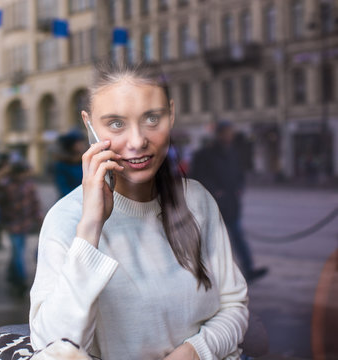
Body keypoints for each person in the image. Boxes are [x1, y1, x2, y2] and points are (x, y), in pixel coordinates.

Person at [29, 60, 248, 360]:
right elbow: (50, 347)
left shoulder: (197, 200)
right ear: (89, 124)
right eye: (116, 123)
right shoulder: (66, 219)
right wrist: (90, 228)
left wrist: (195, 352)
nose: (137, 142)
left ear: (170, 114)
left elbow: (234, 307)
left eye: (152, 119)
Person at [190, 121, 267, 283]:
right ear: (218, 134)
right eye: (226, 132)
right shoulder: (205, 154)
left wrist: (239, 188)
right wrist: (215, 192)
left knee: (238, 238)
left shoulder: (233, 153)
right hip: (212, 207)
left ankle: (249, 269)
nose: (229, 136)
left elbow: (239, 174)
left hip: (231, 206)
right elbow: (197, 178)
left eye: (230, 132)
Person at [0, 154, 42, 297]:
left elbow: (35, 203)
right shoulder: (6, 185)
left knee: (17, 252)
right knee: (18, 253)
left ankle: (12, 277)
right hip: (13, 224)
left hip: (24, 223)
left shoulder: (28, 185)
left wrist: (39, 219)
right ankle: (20, 281)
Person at [53, 130, 86, 198]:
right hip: (71, 200)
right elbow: (63, 187)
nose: (82, 145)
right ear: (71, 145)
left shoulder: (85, 160)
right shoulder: (62, 164)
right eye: (79, 143)